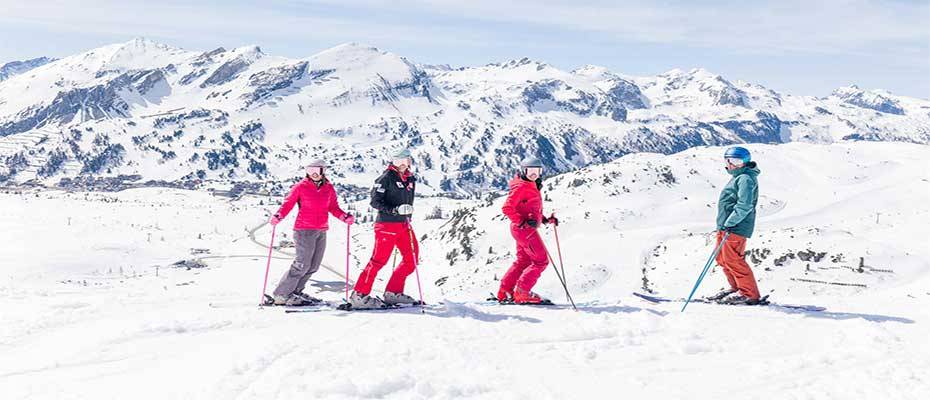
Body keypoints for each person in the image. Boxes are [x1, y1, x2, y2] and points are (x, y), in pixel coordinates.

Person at [268, 159, 354, 306]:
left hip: (321, 230)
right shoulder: (300, 187)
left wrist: (343, 216)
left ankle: (296, 291)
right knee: (301, 264)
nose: (314, 174)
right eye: (310, 170)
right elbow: (288, 203)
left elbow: (333, 207)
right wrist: (278, 216)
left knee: (313, 265)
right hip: (304, 230)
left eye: (317, 170)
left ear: (323, 171)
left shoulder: (328, 188)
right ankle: (281, 294)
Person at [349, 149, 421, 309]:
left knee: (412, 258)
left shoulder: (410, 179)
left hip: (404, 225)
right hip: (387, 225)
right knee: (378, 261)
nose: (402, 164)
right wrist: (394, 210)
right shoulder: (385, 178)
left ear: (409, 161)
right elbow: (375, 202)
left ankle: (393, 293)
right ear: (392, 162)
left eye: (405, 161)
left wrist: (405, 213)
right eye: (397, 161)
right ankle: (359, 295)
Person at [498, 157, 559, 304]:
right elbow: (507, 208)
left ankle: (505, 291)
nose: (534, 174)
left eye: (537, 171)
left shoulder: (530, 184)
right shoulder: (522, 187)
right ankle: (522, 292)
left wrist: (544, 219)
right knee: (541, 261)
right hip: (524, 230)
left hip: (521, 229)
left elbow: (528, 208)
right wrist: (522, 221)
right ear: (523, 171)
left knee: (523, 261)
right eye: (530, 171)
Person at [708, 146, 762, 305]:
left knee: (733, 260)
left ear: (745, 162)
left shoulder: (745, 178)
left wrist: (730, 223)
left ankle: (749, 293)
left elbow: (744, 205)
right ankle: (737, 288)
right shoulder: (739, 176)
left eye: (737, 161)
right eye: (729, 161)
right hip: (726, 225)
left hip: (735, 226)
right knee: (722, 258)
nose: (732, 164)